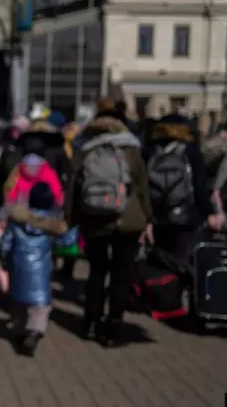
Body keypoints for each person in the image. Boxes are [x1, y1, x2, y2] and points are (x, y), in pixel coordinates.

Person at [66, 97, 152, 347]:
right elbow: (142, 187)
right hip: (128, 218)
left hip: (94, 218)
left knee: (96, 271)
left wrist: (70, 218)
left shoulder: (84, 148)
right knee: (121, 273)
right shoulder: (132, 149)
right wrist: (148, 218)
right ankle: (114, 326)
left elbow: (72, 186)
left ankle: (91, 322)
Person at [0, 182, 74, 357]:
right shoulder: (51, 226)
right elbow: (66, 242)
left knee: (18, 302)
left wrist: (5, 262)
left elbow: (5, 244)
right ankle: (34, 332)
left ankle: (19, 330)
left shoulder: (17, 223)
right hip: (41, 272)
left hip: (18, 269)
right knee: (40, 307)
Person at [144, 110, 224, 259]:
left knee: (160, 260)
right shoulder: (190, 150)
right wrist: (209, 212)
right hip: (186, 216)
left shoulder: (151, 150)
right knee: (182, 260)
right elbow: (199, 184)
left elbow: (143, 186)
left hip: (158, 216)